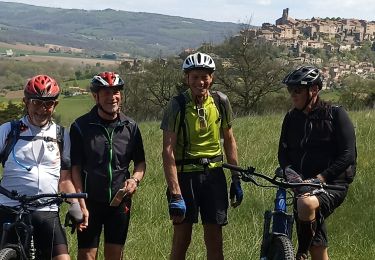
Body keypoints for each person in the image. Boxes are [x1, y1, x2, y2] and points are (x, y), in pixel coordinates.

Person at [161, 52, 243, 260]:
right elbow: (168, 151)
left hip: (214, 176)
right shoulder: (177, 105)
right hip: (185, 177)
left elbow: (229, 140)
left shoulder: (220, 101)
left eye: (205, 76)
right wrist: (175, 193)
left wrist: (236, 178)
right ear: (186, 78)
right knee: (182, 240)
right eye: (195, 76)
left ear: (212, 77)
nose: (200, 81)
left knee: (215, 241)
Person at [278, 66, 357, 260]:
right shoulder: (291, 118)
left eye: (297, 90)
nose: (292, 95)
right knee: (317, 243)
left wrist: (320, 178)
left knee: (305, 204)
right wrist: (289, 171)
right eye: (290, 90)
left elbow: (347, 155)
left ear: (313, 90)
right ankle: (308, 250)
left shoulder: (335, 114)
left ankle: (300, 253)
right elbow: (283, 152)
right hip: (301, 184)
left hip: (332, 184)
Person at [0, 75, 83, 260]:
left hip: (46, 210)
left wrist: (75, 204)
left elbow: (65, 178)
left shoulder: (62, 135)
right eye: (36, 103)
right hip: (10, 208)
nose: (42, 109)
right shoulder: (8, 131)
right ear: (26, 102)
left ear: (56, 105)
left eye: (48, 103)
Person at [70, 71, 146, 260]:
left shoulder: (130, 126)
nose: (112, 97)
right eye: (106, 92)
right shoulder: (80, 127)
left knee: (115, 256)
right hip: (89, 202)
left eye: (116, 92)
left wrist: (135, 180)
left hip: (119, 203)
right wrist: (79, 201)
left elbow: (140, 162)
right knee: (87, 256)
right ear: (95, 96)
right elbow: (76, 168)